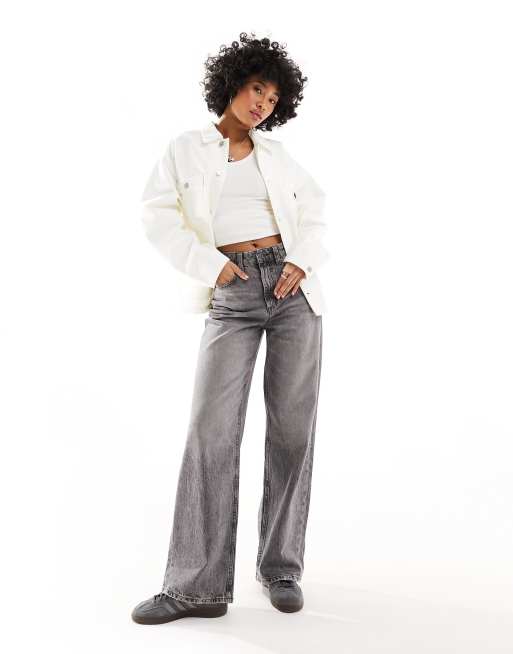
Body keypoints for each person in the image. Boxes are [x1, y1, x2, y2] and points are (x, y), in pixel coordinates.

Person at [132, 32, 330, 625]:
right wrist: (210, 265)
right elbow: (157, 216)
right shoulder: (185, 149)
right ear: (233, 84)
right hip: (233, 290)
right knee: (211, 432)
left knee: (292, 431)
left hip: (292, 292)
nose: (263, 103)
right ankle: (196, 587)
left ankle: (281, 568)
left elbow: (315, 215)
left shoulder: (278, 156)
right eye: (256, 89)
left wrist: (302, 260)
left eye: (273, 98)